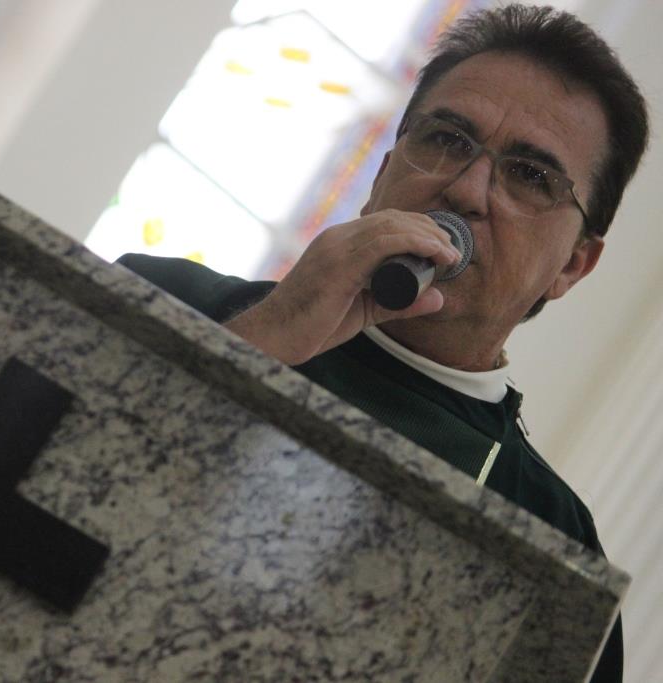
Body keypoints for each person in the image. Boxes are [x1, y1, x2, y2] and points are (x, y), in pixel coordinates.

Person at [118, 5, 649, 682]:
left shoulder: (554, 543)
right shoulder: (162, 297)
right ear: (380, 177)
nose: (467, 189)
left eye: (530, 176)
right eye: (448, 139)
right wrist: (265, 337)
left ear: (573, 264)